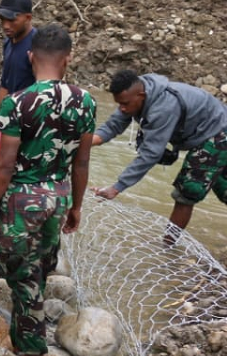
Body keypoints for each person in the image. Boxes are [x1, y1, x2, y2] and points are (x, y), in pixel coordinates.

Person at [0, 24, 95, 356]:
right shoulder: (86, 102)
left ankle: (32, 353)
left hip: (22, 202)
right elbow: (81, 163)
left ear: (31, 56)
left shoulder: (17, 103)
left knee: (23, 276)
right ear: (67, 60)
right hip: (59, 198)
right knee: (38, 269)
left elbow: (4, 167)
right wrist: (76, 207)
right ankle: (33, 340)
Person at [92, 69, 227, 244]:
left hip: (218, 133)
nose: (122, 109)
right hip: (212, 129)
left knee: (187, 191)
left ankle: (167, 248)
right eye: (119, 104)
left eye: (125, 104)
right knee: (222, 186)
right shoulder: (133, 97)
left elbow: (150, 154)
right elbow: (112, 126)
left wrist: (117, 187)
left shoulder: (163, 108)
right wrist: (84, 143)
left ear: (141, 95)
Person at [0, 0, 36, 107]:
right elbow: (5, 85)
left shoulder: (37, 46)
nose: (5, 26)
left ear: (28, 18)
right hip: (11, 112)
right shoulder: (8, 41)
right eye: (2, 19)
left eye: (12, 20)